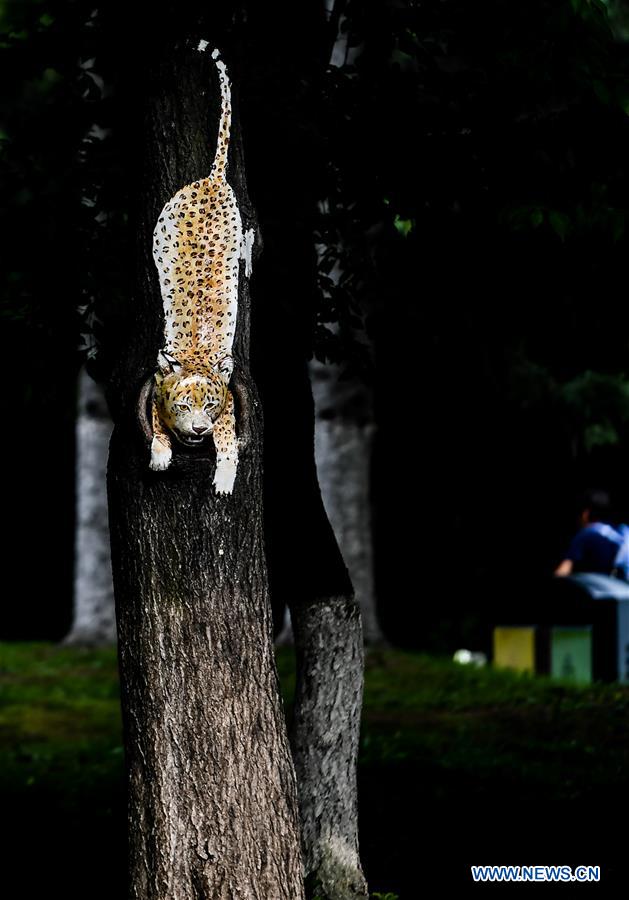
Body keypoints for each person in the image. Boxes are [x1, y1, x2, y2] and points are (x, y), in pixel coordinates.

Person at [555, 489, 629, 579]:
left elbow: (563, 571)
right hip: (620, 589)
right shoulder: (620, 534)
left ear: (585, 513)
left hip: (594, 590)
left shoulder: (586, 535)